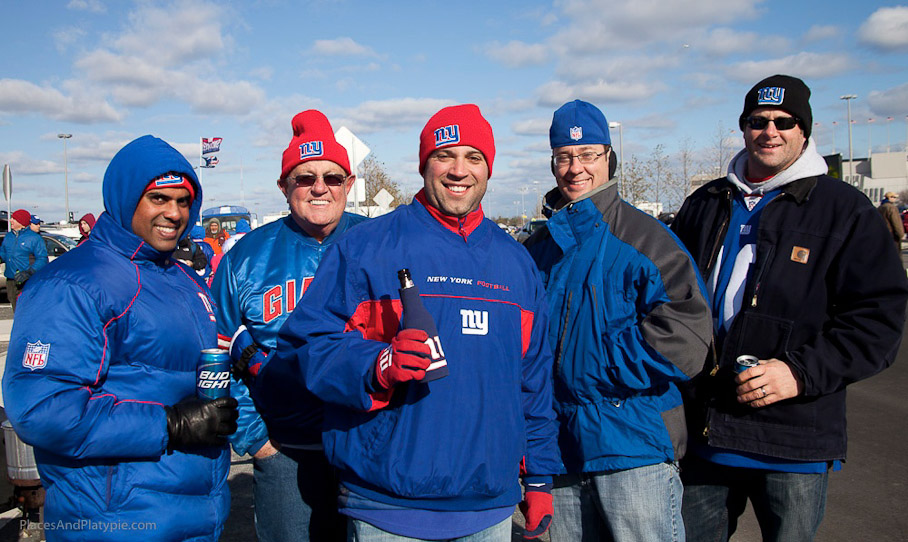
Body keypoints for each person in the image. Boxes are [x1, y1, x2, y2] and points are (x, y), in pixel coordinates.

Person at [255, 104, 561, 541]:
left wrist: (539, 477)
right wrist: (377, 365)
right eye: (445, 155)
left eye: (473, 157)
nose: (459, 170)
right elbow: (307, 345)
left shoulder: (516, 263)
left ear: (488, 169)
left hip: (489, 507)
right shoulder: (366, 247)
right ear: (424, 165)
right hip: (388, 506)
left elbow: (532, 382)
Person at [671, 74, 908, 542]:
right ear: (744, 128)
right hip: (704, 437)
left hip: (792, 442)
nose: (770, 131)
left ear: (804, 130)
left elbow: (877, 319)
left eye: (785, 121)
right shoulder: (706, 202)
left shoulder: (845, 210)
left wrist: (798, 373)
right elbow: (669, 296)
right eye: (758, 121)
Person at [2, 135, 239, 542]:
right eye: (159, 199)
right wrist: (170, 424)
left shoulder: (181, 278)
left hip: (194, 513)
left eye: (183, 201)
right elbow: (42, 409)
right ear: (127, 200)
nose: (174, 213)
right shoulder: (72, 284)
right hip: (114, 521)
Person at [523, 100, 712, 542]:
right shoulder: (538, 249)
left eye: (588, 154)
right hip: (561, 450)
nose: (576, 168)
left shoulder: (647, 240)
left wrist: (597, 365)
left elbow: (688, 335)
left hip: (633, 447)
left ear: (609, 158)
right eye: (565, 157)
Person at [211, 109, 367, 542]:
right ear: (283, 186)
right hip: (286, 454)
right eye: (304, 178)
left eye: (333, 178)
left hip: (370, 450)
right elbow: (216, 351)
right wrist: (255, 438)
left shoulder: (378, 243)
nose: (320, 187)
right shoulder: (245, 258)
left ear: (348, 184)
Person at [0, 208, 48, 311]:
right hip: (11, 279)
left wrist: (29, 272)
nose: (10, 220)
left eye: (14, 219)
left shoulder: (34, 238)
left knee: (26, 310)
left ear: (21, 222)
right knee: (15, 309)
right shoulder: (8, 237)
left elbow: (42, 259)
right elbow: (3, 254)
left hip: (26, 280)